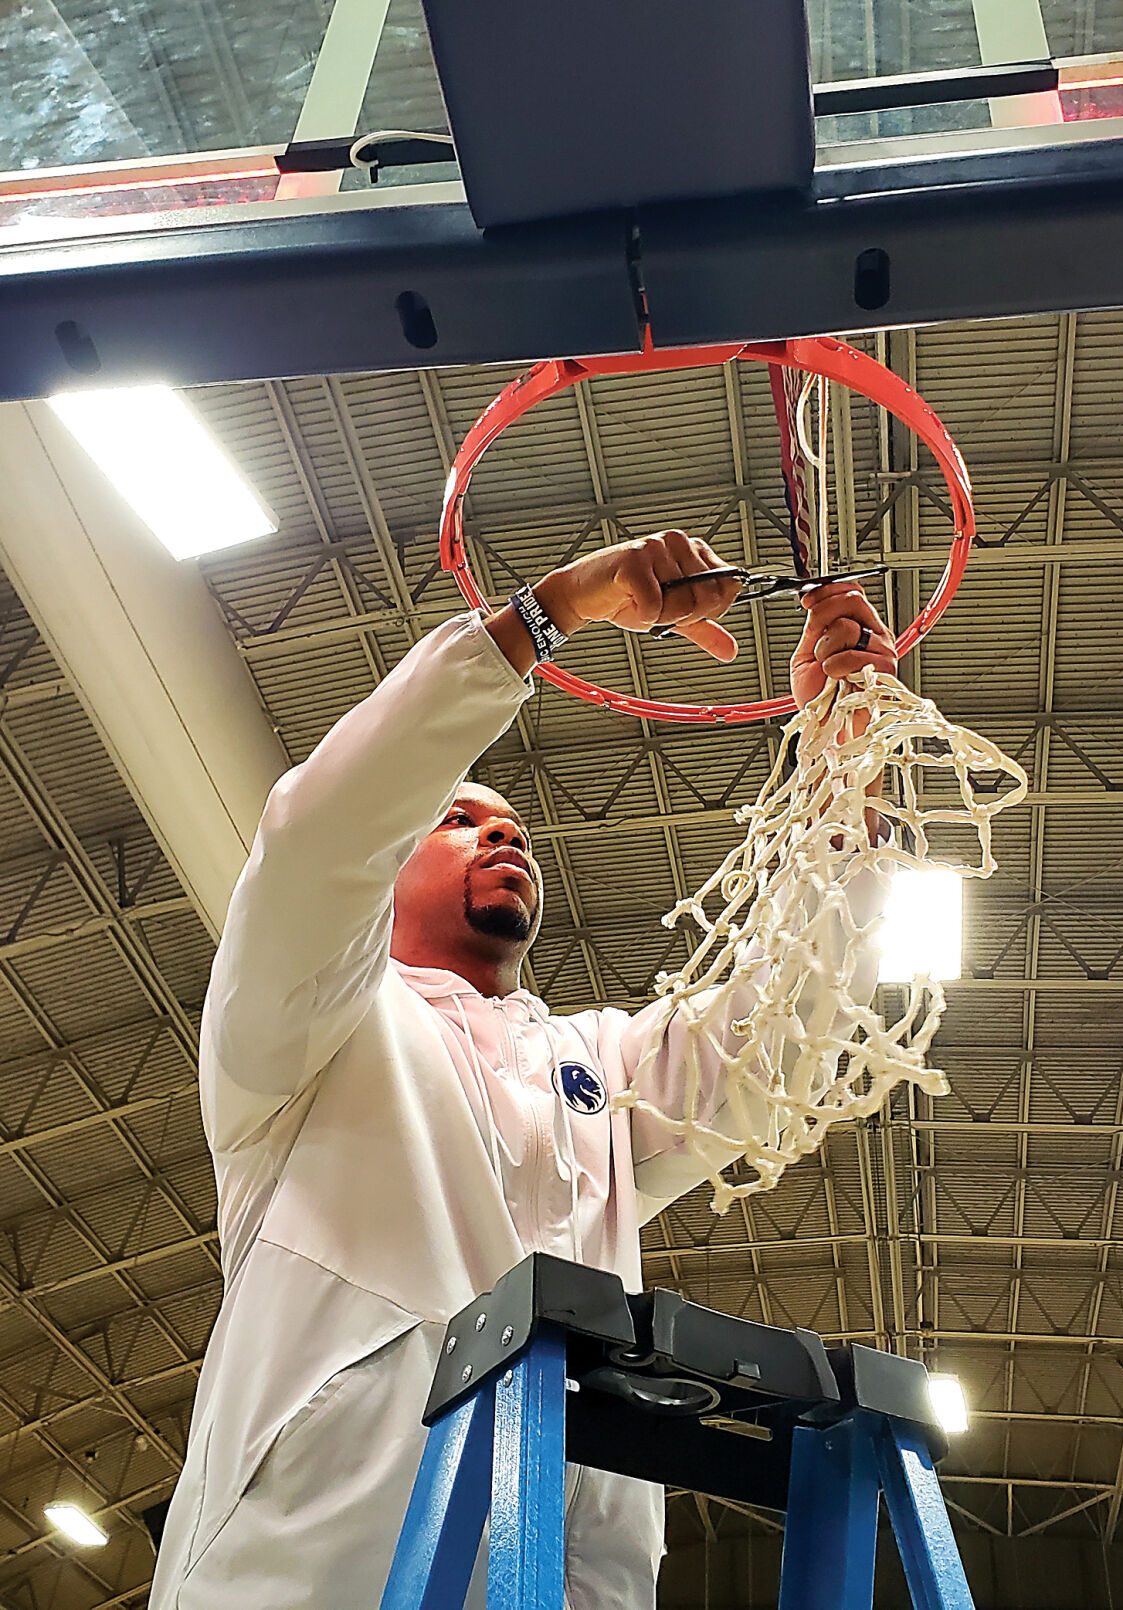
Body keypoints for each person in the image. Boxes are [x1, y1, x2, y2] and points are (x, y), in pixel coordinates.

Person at [148, 530, 899, 1610]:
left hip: (560, 1561)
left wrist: (843, 768)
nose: (503, 836)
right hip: (320, 1560)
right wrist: (549, 613)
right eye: (457, 820)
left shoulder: (592, 1060)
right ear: (390, 855)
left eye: (514, 827)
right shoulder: (311, 1025)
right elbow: (317, 838)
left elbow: (773, 1039)